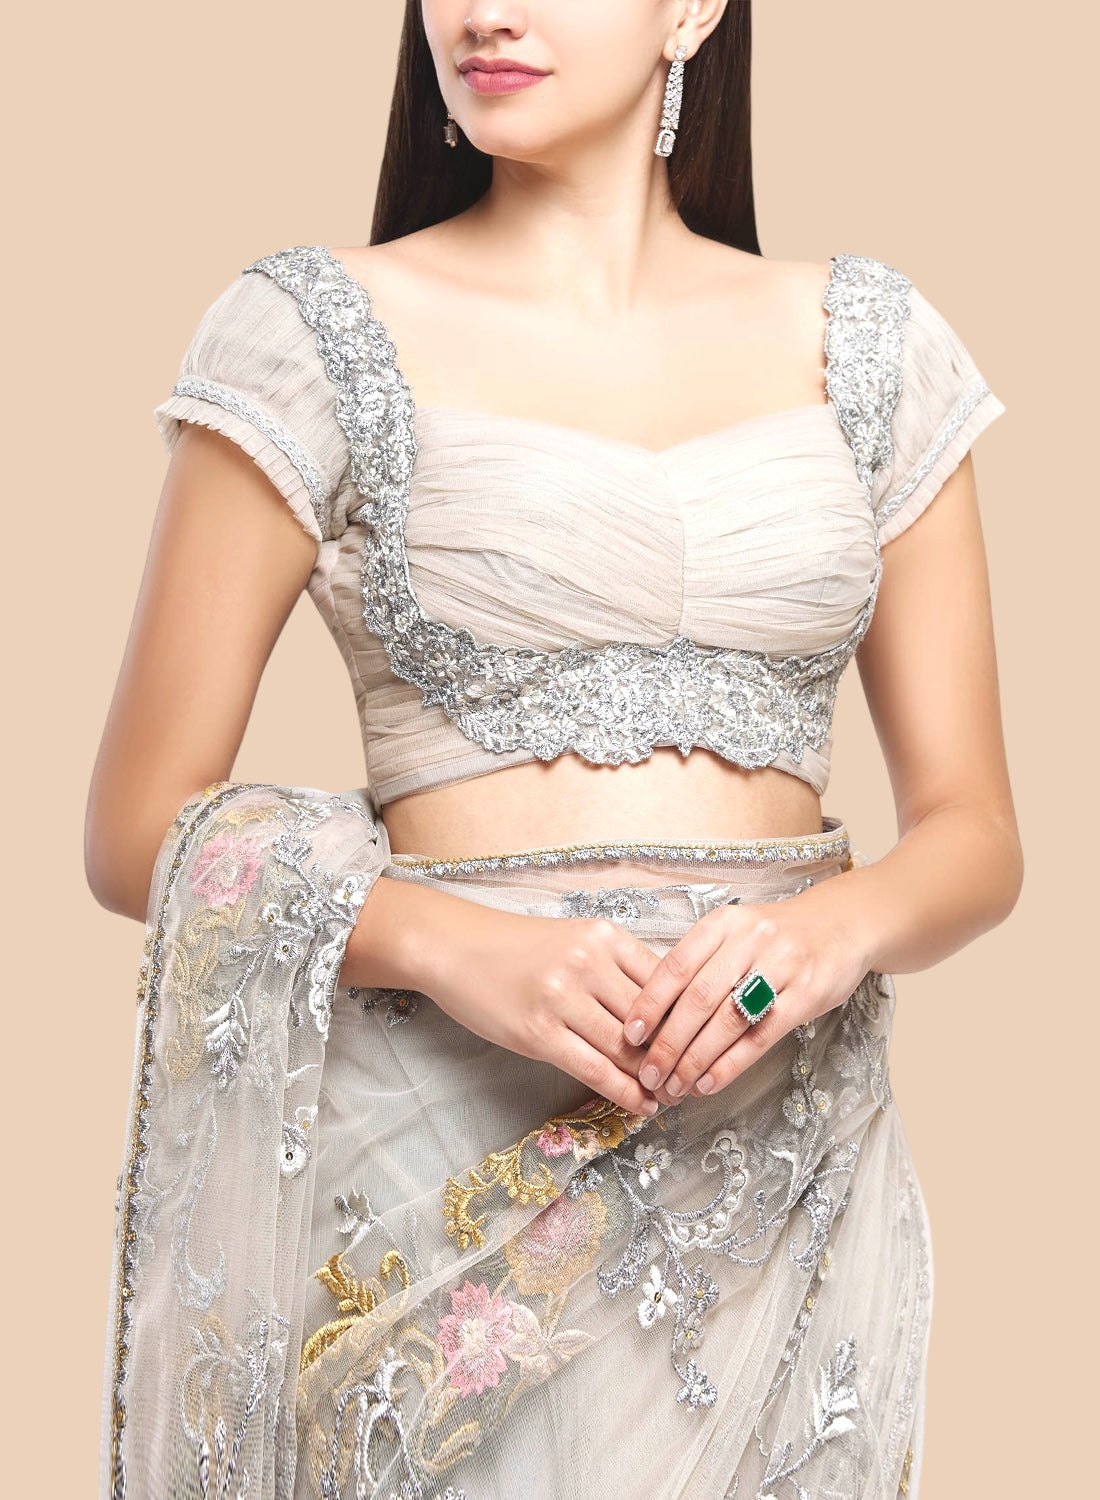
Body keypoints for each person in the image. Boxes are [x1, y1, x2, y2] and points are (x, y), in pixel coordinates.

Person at [86, 4, 1022, 1498]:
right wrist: (459, 950)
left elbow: (976, 830)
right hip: (431, 1168)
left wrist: (818, 938)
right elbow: (139, 827)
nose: (483, 9)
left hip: (782, 1156)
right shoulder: (315, 332)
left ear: (693, 8)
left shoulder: (875, 348)